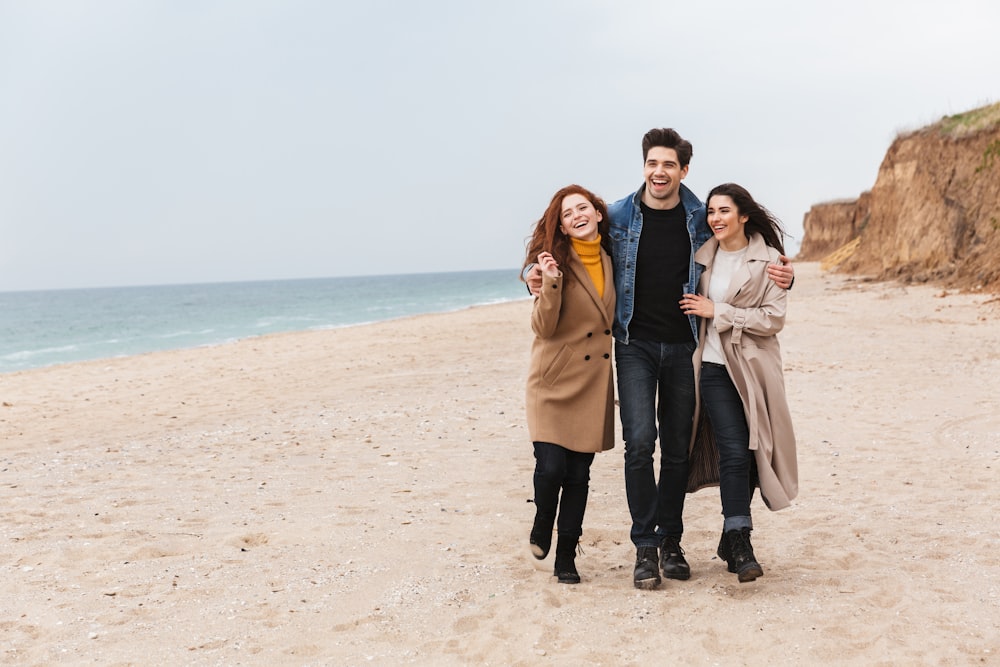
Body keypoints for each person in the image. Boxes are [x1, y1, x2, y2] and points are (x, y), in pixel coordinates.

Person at [526, 128, 794, 589]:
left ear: (683, 170)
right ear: (644, 166)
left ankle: (671, 540)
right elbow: (566, 247)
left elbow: (745, 252)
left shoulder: (698, 216)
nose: (659, 172)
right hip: (634, 346)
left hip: (685, 346)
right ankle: (644, 546)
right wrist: (530, 273)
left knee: (676, 449)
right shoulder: (617, 216)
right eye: (652, 163)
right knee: (639, 445)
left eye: (669, 164)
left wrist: (786, 277)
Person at [680, 183, 798, 582]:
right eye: (711, 211)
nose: (715, 218)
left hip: (754, 370)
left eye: (724, 211)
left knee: (753, 451)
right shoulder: (699, 258)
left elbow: (772, 320)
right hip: (713, 366)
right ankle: (741, 539)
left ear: (743, 215)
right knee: (733, 449)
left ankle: (728, 539)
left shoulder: (770, 263)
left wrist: (720, 311)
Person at [523, 184, 616, 584]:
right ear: (560, 226)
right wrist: (550, 281)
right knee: (550, 468)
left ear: (598, 213)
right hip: (552, 381)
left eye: (583, 208)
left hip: (593, 384)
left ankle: (566, 557)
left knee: (579, 476)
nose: (576, 215)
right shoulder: (551, 265)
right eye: (567, 214)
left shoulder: (616, 259)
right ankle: (543, 520)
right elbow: (543, 327)